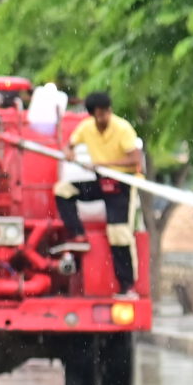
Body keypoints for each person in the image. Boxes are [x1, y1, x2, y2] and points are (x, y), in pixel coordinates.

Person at [55, 89, 145, 290]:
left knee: (119, 233)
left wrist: (104, 164)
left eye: (106, 112)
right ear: (92, 115)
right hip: (101, 182)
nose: (104, 117)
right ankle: (78, 233)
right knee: (63, 190)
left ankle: (127, 286)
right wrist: (68, 152)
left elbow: (135, 160)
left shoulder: (122, 128)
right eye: (100, 114)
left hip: (121, 185)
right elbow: (68, 145)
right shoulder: (86, 128)